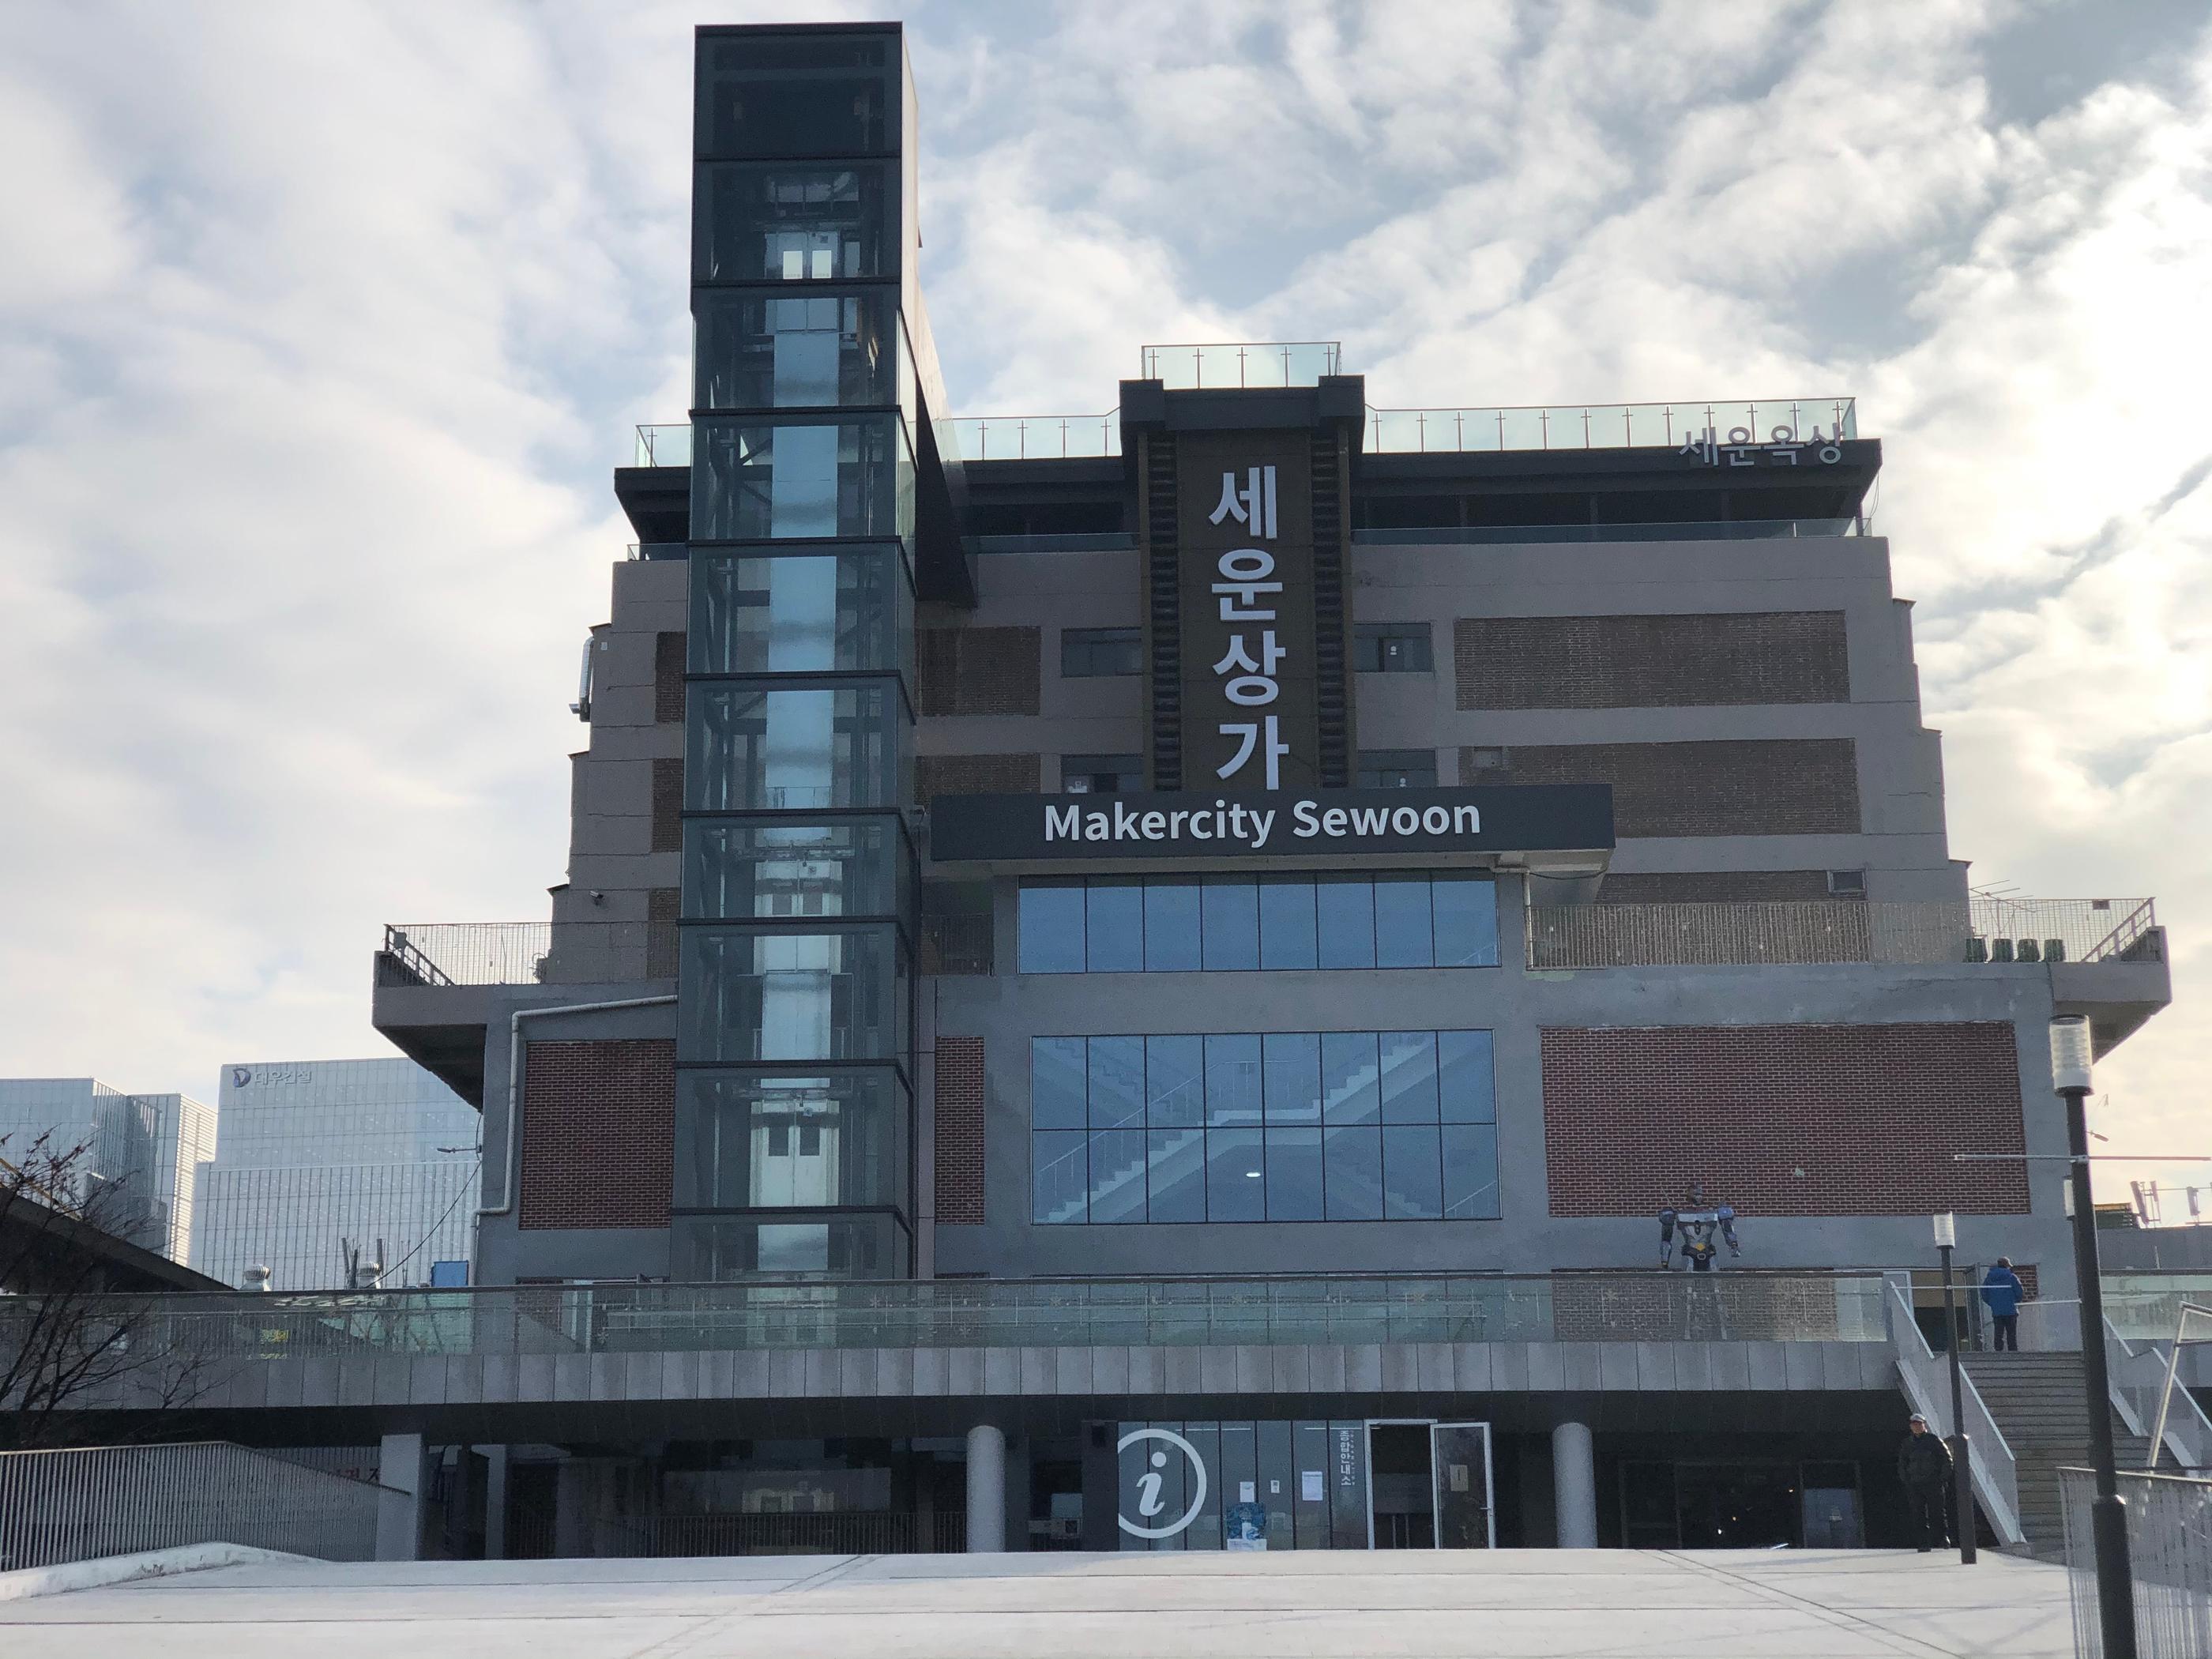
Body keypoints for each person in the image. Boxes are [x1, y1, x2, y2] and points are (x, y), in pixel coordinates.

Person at [1898, 1413, 1954, 1552]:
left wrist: (1941, 1478)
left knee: (1937, 1512)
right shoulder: (1908, 1443)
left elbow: (1947, 1459)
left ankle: (1942, 1538)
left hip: (1933, 1483)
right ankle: (1923, 1542)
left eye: (1919, 1424)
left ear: (1924, 1425)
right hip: (1915, 1484)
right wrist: (1906, 1480)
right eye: (1914, 1424)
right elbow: (1902, 1462)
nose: (1917, 1426)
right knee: (1918, 1514)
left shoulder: (1934, 1440)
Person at [1981, 1257, 2025, 1352]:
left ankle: (1998, 1352)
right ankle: (2013, 1352)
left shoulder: (1989, 1278)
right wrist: (2014, 1302)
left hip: (1997, 1311)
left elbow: (1984, 1293)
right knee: (2011, 1334)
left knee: (1998, 1333)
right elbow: (2019, 1292)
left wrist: (1993, 1303)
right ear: (2007, 1266)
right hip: (2011, 1310)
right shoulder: (2012, 1277)